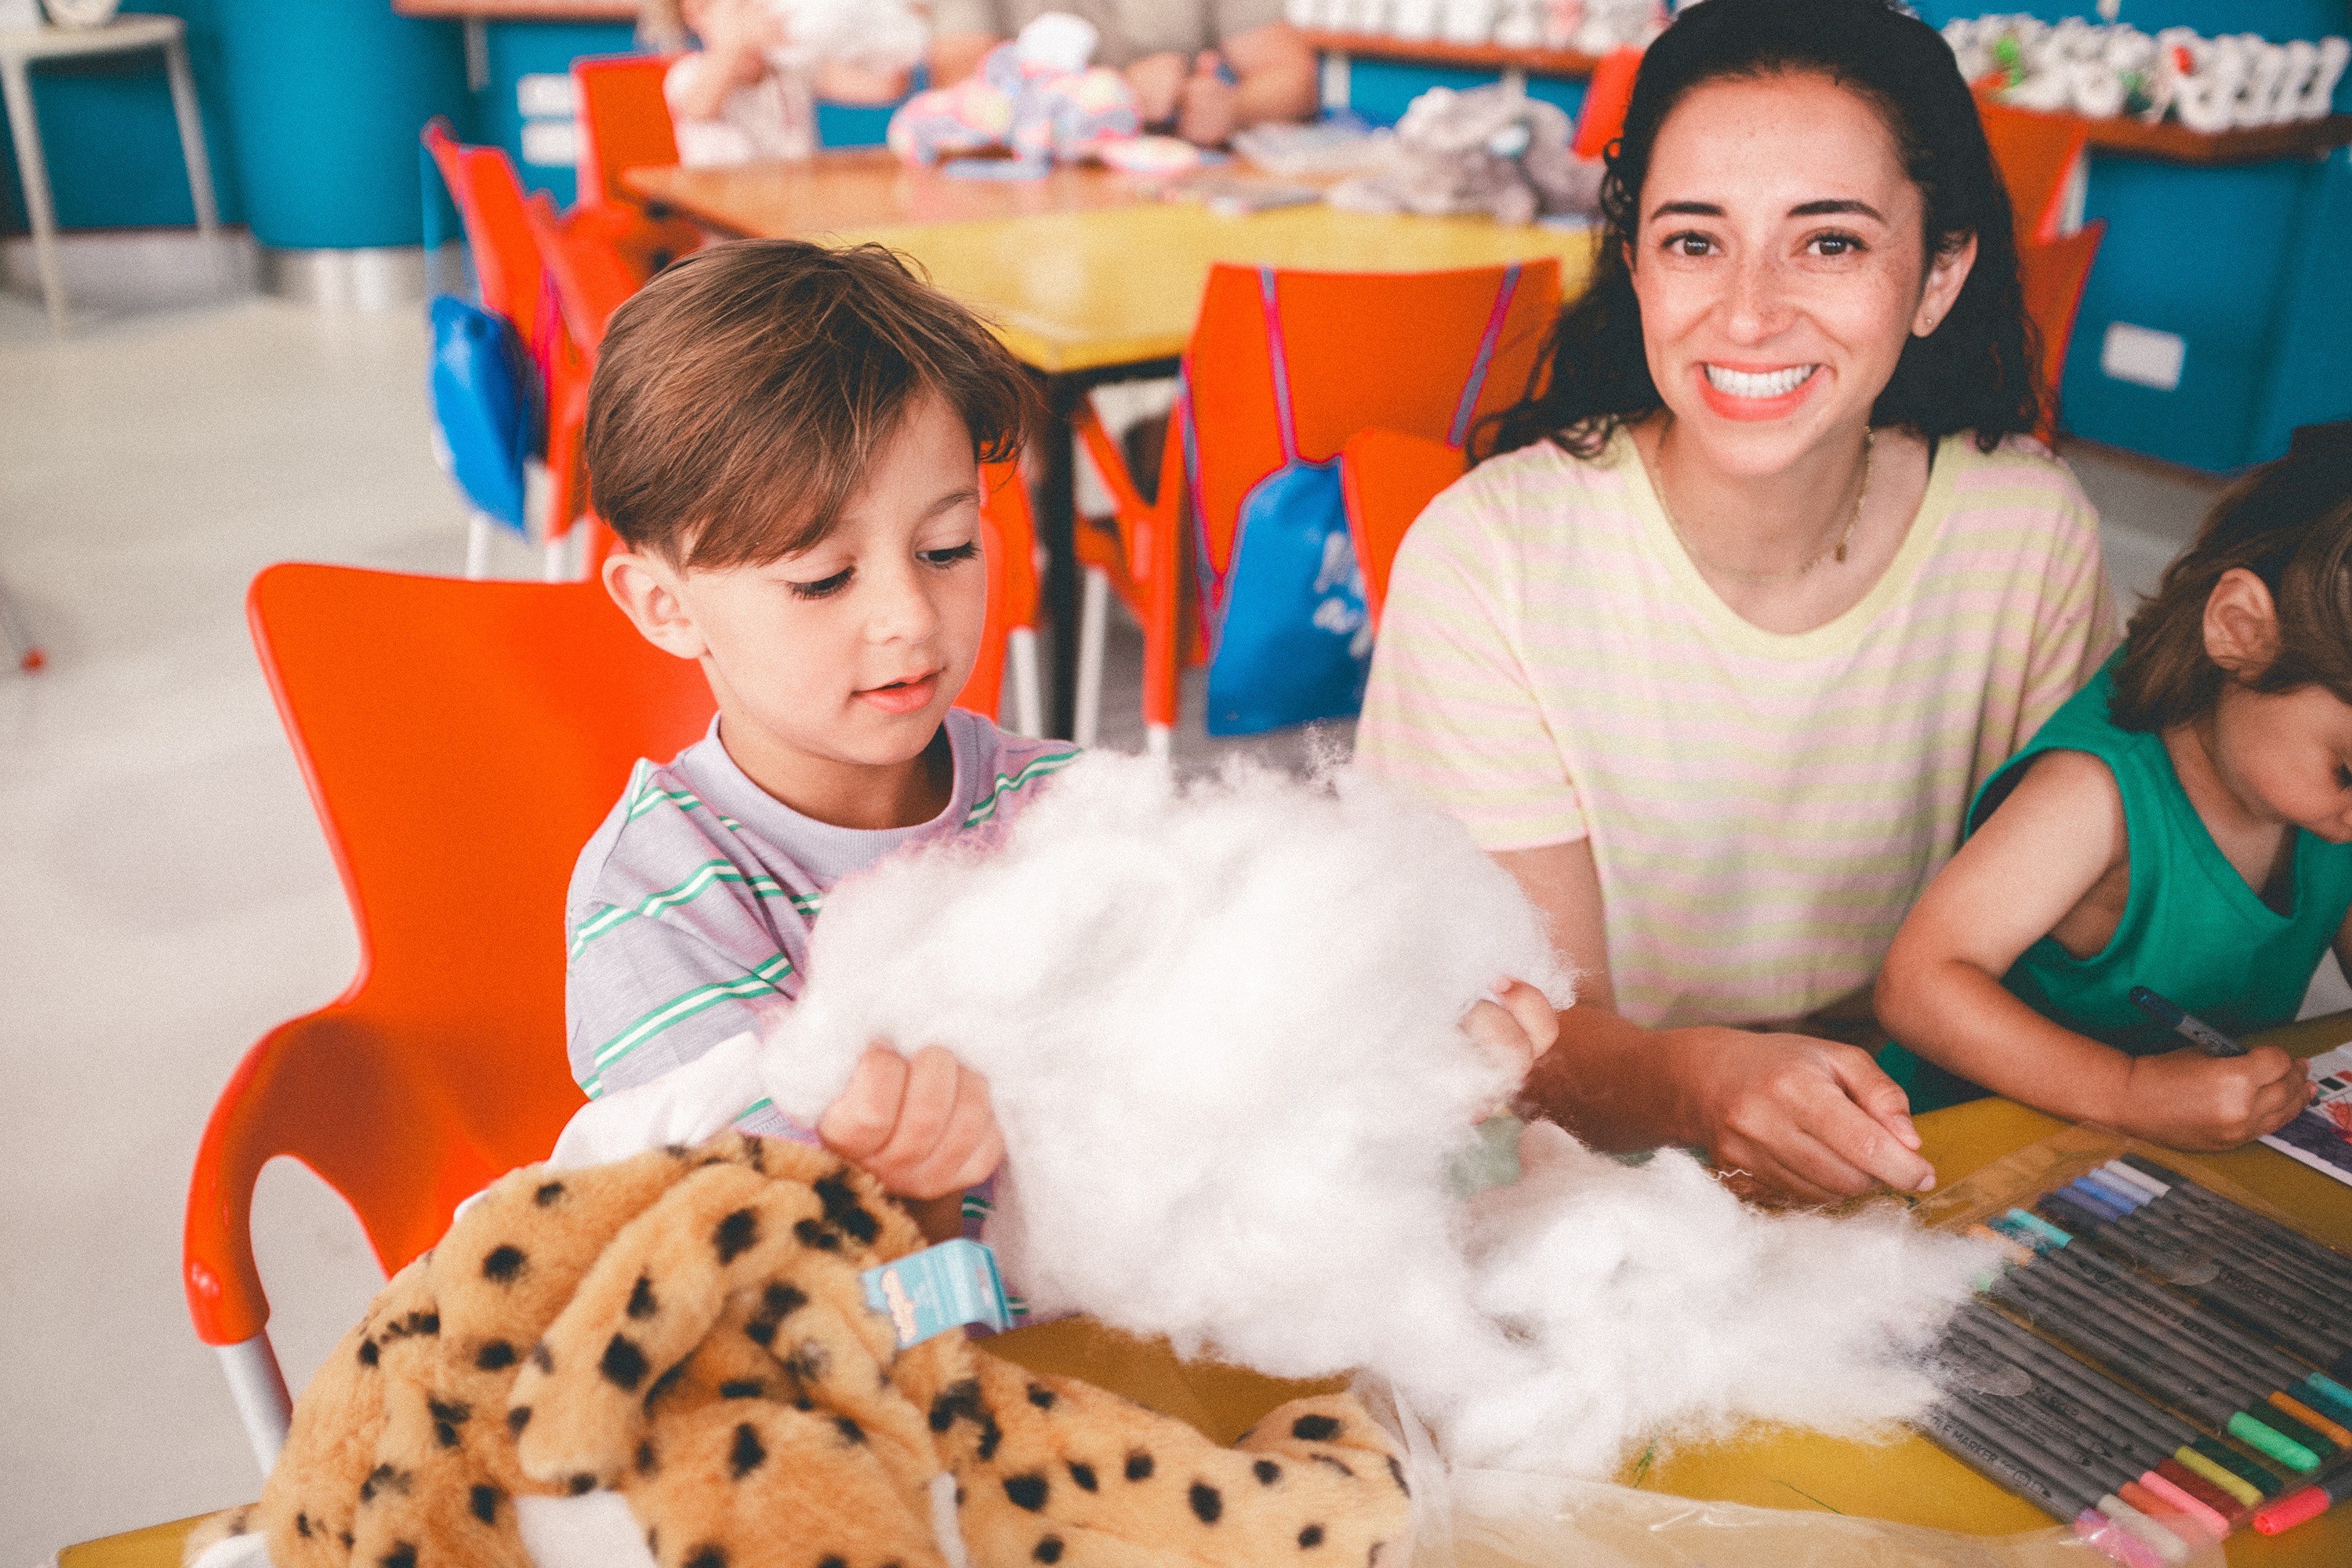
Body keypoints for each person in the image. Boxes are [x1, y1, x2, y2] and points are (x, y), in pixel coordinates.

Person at [565, 240, 1558, 1233]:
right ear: (663, 603)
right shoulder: (660, 893)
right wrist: (914, 1179)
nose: (910, 613)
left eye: (947, 547)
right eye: (825, 576)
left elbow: (1238, 1083)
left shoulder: (1073, 807)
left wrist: (1400, 1062)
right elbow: (738, 1244)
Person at [1354, 0, 2117, 1203]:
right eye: (1696, 242)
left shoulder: (2028, 534)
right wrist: (1709, 1087)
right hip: (1591, 1176)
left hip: (1931, 1132)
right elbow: (1519, 1030)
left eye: (1830, 244)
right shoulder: (1492, 557)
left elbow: (2058, 951)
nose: (1750, 311)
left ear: (1939, 277)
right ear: (1638, 265)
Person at [1875, 425, 2352, 1148]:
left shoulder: (2317, 797)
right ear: (2242, 631)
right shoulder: (2093, 798)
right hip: (1956, 1157)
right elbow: (1919, 986)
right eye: (2348, 769)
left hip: (2163, 1177)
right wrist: (2129, 1092)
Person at [927, 0, 1316, 147]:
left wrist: (1231, 107)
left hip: (1169, 203)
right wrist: (1115, 94)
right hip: (1021, 206)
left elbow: (1293, 75)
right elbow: (962, 86)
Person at [644, 0, 925, 166]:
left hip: (795, 204)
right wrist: (738, 38)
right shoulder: (688, 73)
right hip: (728, 229)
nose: (763, 13)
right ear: (695, 13)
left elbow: (886, 88)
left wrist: (896, 34)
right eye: (743, 6)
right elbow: (700, 106)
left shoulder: (792, 70)